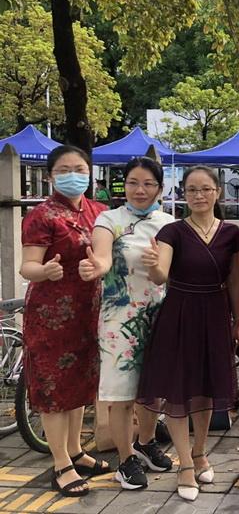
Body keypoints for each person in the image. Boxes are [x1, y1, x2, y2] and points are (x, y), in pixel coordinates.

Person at [136, 166, 239, 502]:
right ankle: (184, 464)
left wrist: (236, 319)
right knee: (178, 391)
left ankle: (200, 452)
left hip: (216, 313)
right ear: (183, 193)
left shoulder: (231, 233)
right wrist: (153, 265)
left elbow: (235, 279)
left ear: (218, 192)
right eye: (192, 189)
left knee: (206, 389)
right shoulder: (173, 231)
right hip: (180, 314)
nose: (199, 195)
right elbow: (160, 275)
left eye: (205, 189)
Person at [19, 145, 111, 497]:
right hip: (51, 316)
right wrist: (44, 271)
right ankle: (60, 463)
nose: (74, 175)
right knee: (54, 389)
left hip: (89, 312)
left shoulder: (99, 212)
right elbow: (27, 266)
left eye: (80, 169)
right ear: (50, 176)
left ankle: (75, 450)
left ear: (90, 173)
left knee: (80, 386)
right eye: (64, 170)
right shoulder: (41, 216)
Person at [78, 157, 174, 490]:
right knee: (121, 392)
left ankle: (146, 442)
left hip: (158, 315)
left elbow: (172, 271)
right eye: (133, 182)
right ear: (124, 185)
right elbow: (103, 256)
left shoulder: (169, 224)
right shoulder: (109, 219)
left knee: (152, 388)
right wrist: (98, 267)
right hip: (119, 320)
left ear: (160, 188)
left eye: (148, 184)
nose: (140, 190)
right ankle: (126, 458)